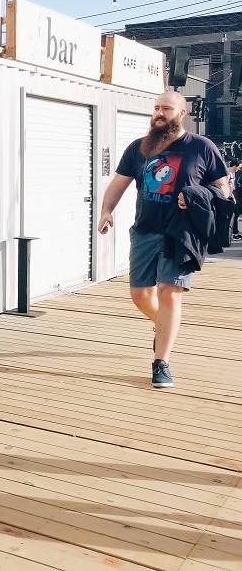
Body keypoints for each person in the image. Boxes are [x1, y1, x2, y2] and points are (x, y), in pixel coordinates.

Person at [97, 91, 230, 388]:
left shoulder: (201, 147)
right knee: (140, 295)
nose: (159, 113)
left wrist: (198, 195)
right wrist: (106, 211)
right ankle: (164, 327)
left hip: (181, 233)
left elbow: (224, 190)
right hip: (144, 230)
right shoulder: (139, 147)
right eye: (156, 108)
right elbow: (119, 183)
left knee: (169, 292)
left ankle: (162, 362)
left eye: (167, 108)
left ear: (181, 114)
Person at [229, 159, 242, 240]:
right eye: (238, 167)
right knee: (234, 214)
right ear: (234, 166)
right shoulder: (229, 173)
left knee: (235, 214)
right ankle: (233, 232)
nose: (239, 169)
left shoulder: (232, 173)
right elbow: (235, 185)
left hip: (233, 195)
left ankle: (234, 232)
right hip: (231, 195)